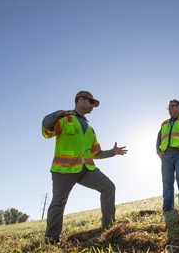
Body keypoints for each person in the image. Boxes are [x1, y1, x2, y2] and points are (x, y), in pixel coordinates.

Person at [42, 90, 127, 244]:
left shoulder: (90, 129)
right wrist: (57, 114)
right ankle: (51, 239)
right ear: (80, 100)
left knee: (108, 187)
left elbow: (96, 153)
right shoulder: (64, 119)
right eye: (91, 102)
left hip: (86, 169)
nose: (93, 106)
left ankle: (108, 229)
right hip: (64, 170)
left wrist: (112, 152)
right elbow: (46, 128)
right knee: (58, 202)